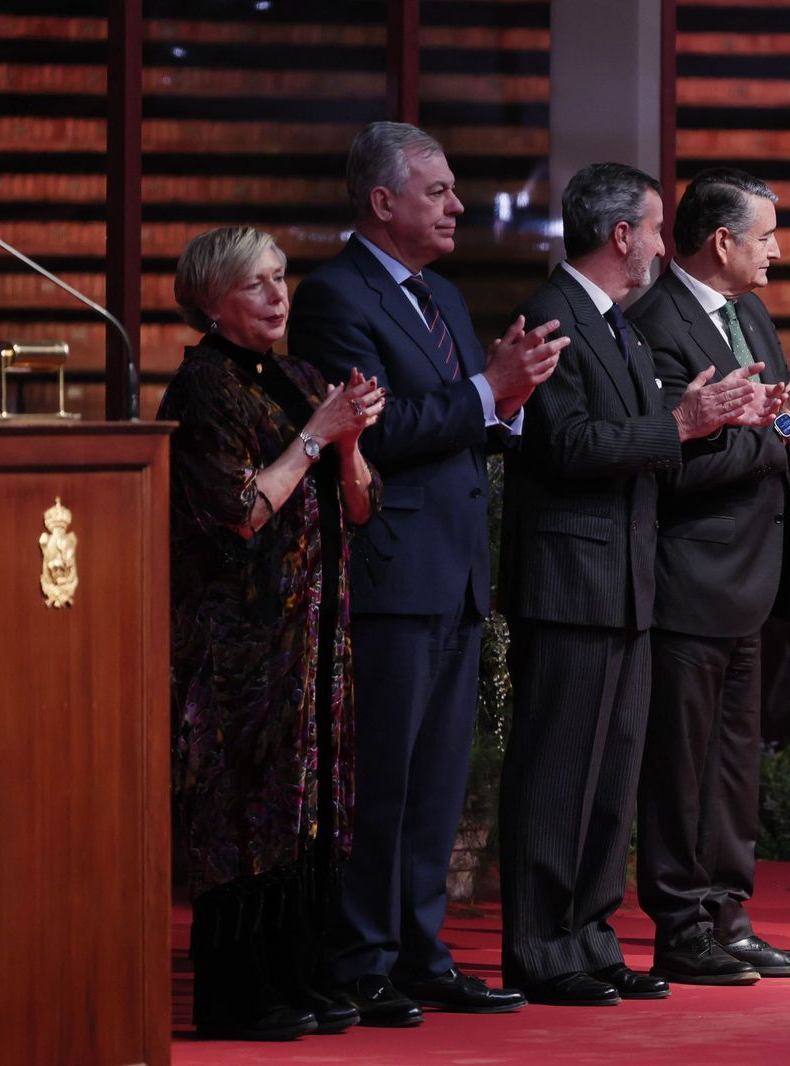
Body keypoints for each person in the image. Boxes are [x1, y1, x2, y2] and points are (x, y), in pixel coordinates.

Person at [290, 121, 563, 1025]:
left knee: (439, 780)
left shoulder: (442, 294)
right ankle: (361, 956)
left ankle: (421, 950)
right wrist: (489, 390)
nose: (456, 206)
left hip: (455, 569)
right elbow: (377, 430)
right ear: (383, 202)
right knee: (385, 778)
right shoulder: (334, 296)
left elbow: (464, 420)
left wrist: (509, 402)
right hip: (390, 567)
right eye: (438, 191)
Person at [496, 161, 773, 1006]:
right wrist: (683, 424)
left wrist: (705, 420)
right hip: (571, 579)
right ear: (622, 235)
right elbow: (567, 444)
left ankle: (589, 934)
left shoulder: (612, 321)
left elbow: (631, 436)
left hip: (625, 581)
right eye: (654, 229)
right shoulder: (554, 314)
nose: (662, 243)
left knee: (610, 779)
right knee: (556, 778)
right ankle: (542, 949)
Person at [627, 167, 790, 985]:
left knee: (733, 765)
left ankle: (729, 915)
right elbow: (671, 464)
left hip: (750, 576)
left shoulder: (751, 315)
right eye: (765, 235)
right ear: (722, 241)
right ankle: (680, 924)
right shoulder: (656, 325)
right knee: (679, 763)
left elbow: (775, 434)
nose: (777, 250)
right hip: (688, 572)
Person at [161, 226, 383, 1040]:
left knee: (311, 810)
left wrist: (350, 442)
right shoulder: (203, 388)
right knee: (247, 813)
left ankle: (302, 975)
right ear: (214, 299)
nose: (278, 295)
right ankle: (239, 995)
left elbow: (359, 506)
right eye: (256, 284)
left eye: (282, 277)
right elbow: (239, 513)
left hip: (316, 638)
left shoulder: (297, 376)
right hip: (241, 648)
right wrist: (320, 434)